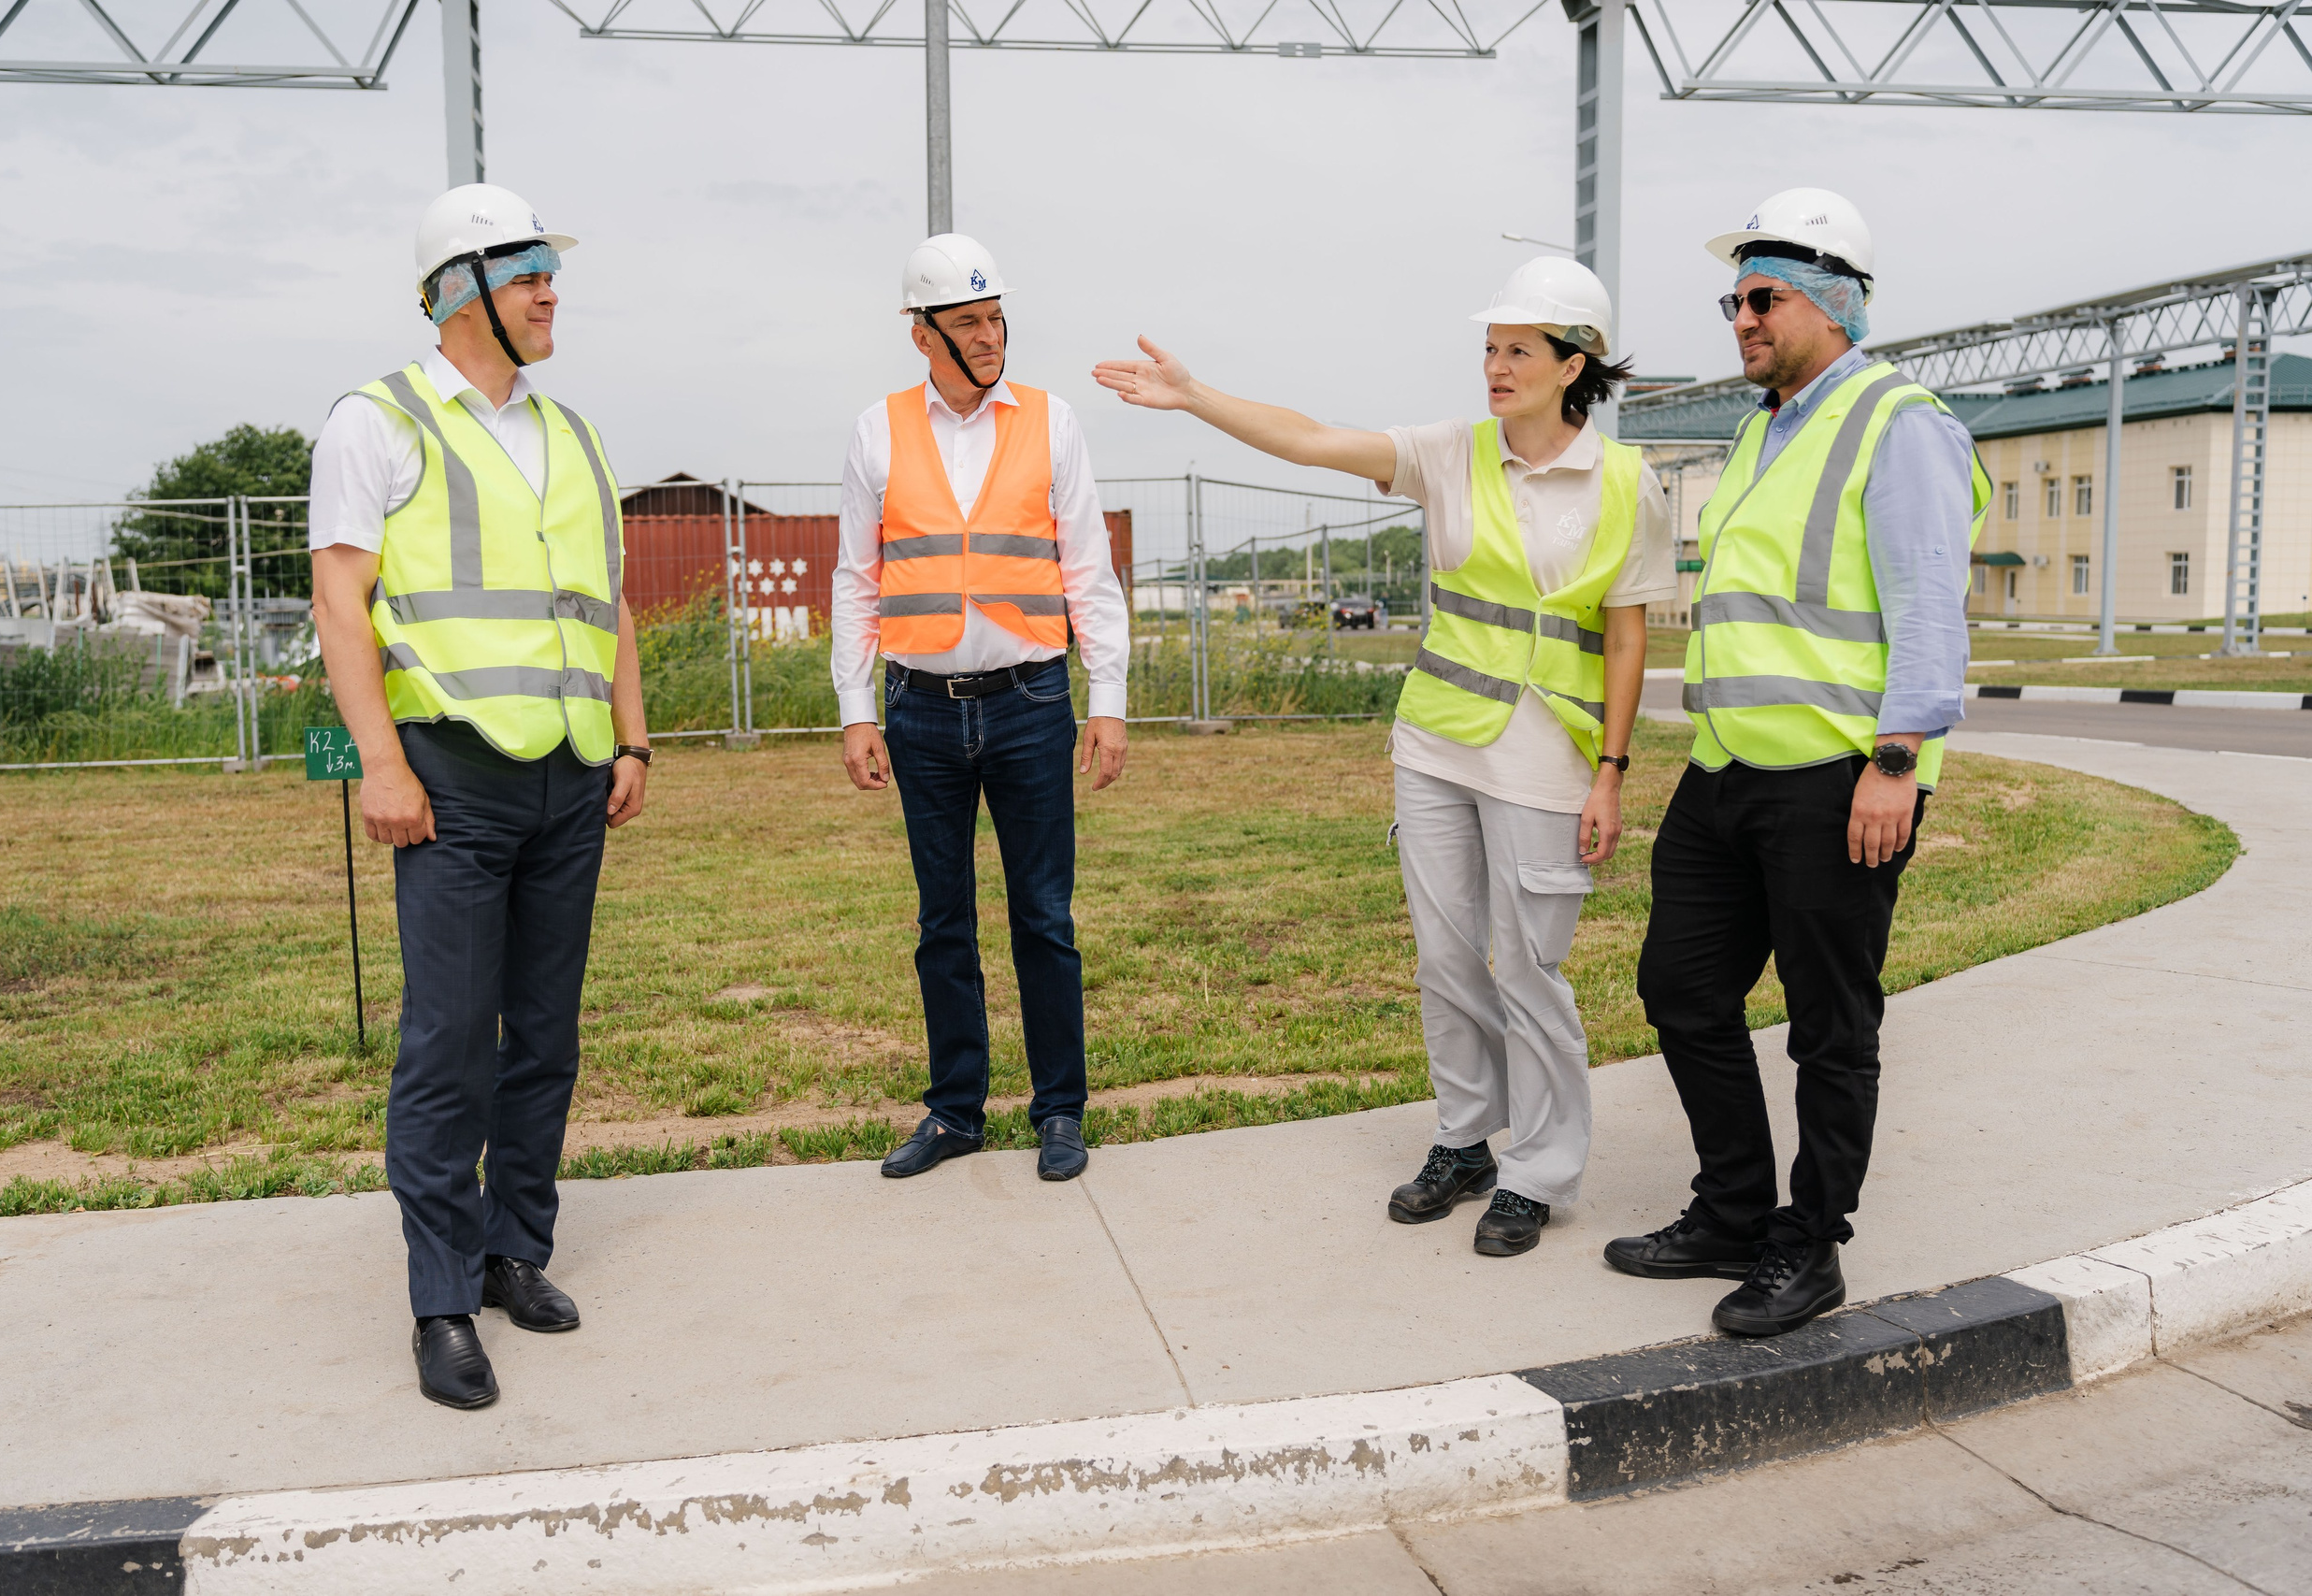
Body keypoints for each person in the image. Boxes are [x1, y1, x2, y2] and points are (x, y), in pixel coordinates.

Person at [1094, 256, 1670, 1258]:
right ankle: (1465, 1140)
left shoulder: (1625, 483)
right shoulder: (1451, 453)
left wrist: (1612, 771)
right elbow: (1314, 440)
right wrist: (1192, 398)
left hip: (1546, 758)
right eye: (1488, 349)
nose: (1493, 366)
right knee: (1446, 960)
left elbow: (1626, 637)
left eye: (1517, 351)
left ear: (1574, 364)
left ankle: (1537, 1171)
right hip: (1437, 741)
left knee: (1529, 968)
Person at [1605, 188, 1989, 1336]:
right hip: (1726, 769)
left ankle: (1809, 1243)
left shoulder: (1895, 419)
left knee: (1830, 1022)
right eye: (1734, 300)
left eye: (1762, 296)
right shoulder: (1764, 429)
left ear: (1833, 298)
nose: (1741, 319)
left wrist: (1897, 758)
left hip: (1837, 775)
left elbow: (1927, 598)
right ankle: (1730, 1208)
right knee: (1678, 988)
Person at [309, 183, 647, 1409]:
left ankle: (516, 1250)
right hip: (449, 774)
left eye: (553, 270)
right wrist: (380, 763)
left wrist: (634, 743)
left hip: (570, 776)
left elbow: (604, 606)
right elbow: (341, 602)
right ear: (460, 291)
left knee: (543, 1036)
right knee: (450, 1041)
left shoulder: (575, 434)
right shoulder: (378, 420)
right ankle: (441, 1295)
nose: (553, 290)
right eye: (529, 273)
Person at [833, 234, 1132, 1184]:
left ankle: (1059, 1112)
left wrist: (1109, 699)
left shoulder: (1051, 422)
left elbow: (1087, 565)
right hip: (919, 711)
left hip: (1031, 702)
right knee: (942, 922)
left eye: (996, 317)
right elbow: (855, 578)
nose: (989, 336)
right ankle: (955, 1113)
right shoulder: (877, 430)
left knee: (1043, 916)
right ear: (923, 335)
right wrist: (854, 707)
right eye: (967, 322)